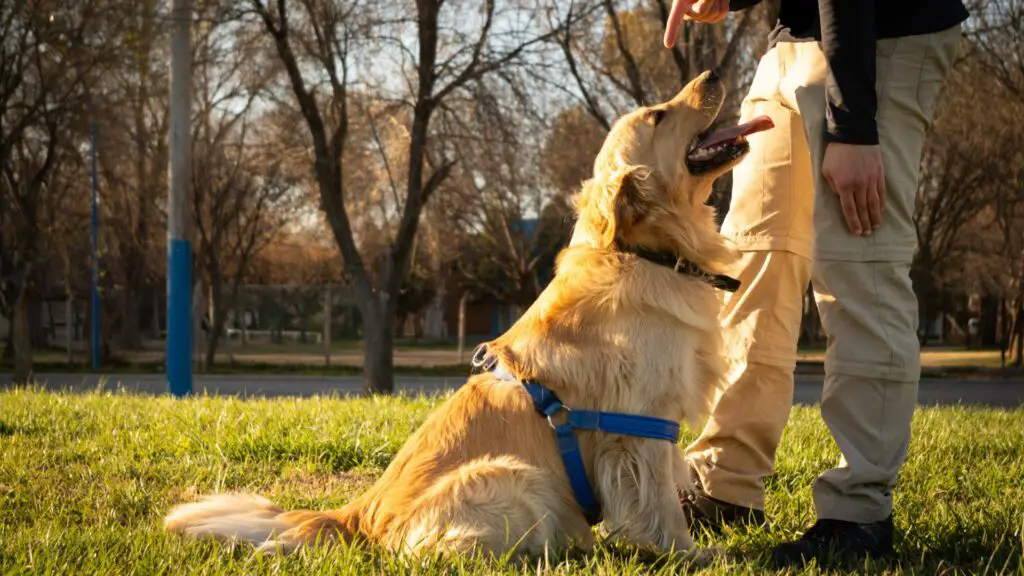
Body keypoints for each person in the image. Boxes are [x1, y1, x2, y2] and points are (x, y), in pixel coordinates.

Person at [663, 0, 969, 567]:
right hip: (791, 42)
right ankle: (725, 484)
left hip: (878, 39)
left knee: (860, 267)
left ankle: (858, 512)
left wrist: (853, 125)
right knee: (752, 261)